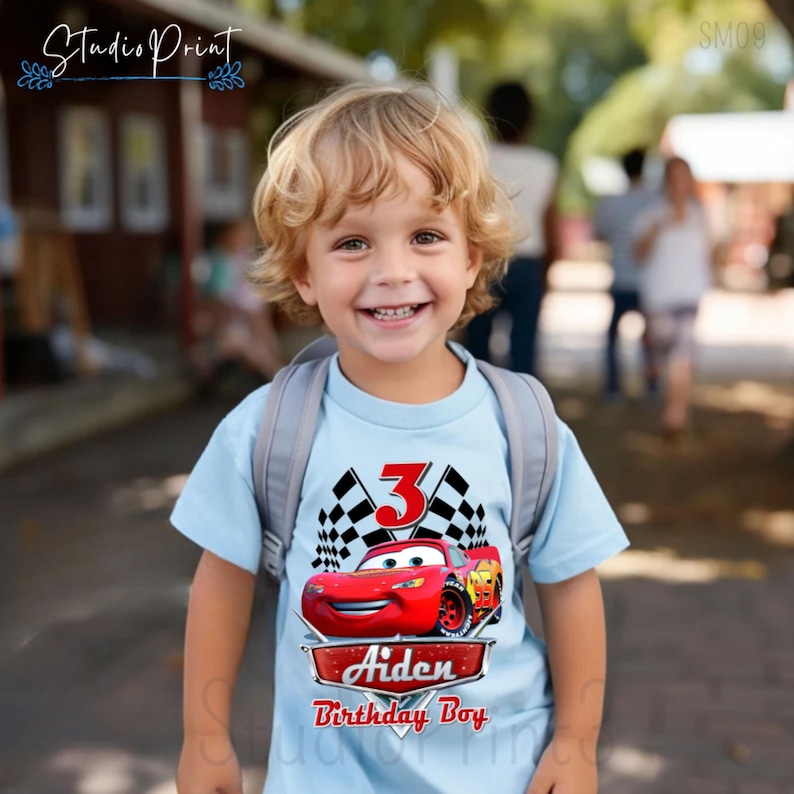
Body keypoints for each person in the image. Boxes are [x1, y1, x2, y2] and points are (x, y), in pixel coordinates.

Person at [171, 84, 629, 794]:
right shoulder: (265, 430)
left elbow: (571, 587)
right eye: (352, 242)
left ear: (472, 258)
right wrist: (204, 738)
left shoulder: (525, 426)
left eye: (426, 236)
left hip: (503, 774)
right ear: (304, 272)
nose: (393, 272)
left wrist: (575, 742)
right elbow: (222, 582)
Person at [465, 81, 560, 377]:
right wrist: (548, 271)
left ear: (488, 113)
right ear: (531, 119)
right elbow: (550, 223)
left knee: (476, 351)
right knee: (524, 351)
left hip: (482, 260)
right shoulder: (545, 164)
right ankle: (523, 413)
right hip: (528, 263)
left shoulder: (476, 159)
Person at [633, 156, 713, 437]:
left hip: (690, 293)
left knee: (683, 353)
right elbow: (639, 254)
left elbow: (710, 252)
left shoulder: (700, 214)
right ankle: (654, 370)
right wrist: (657, 229)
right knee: (665, 350)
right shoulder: (652, 214)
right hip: (660, 296)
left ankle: (675, 414)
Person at [592, 149, 659, 400]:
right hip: (649, 280)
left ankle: (613, 387)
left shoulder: (610, 202)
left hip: (620, 276)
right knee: (650, 336)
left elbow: (599, 232)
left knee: (612, 337)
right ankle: (652, 386)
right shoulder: (655, 199)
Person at [191, 219, 284, 386]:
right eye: (239, 236)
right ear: (226, 237)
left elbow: (254, 294)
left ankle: (278, 372)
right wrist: (246, 313)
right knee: (246, 339)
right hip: (225, 322)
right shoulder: (217, 261)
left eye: (245, 236)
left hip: (247, 318)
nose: (243, 239)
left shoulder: (244, 259)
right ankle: (277, 375)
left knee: (261, 331)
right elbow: (216, 300)